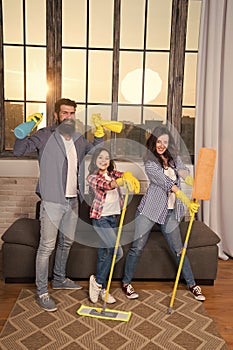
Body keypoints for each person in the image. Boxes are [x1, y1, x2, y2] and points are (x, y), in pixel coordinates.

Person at [13, 98, 104, 312]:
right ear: (56, 115)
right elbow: (19, 150)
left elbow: (98, 154)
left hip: (73, 201)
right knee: (46, 247)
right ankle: (42, 291)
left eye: (72, 113)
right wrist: (24, 129)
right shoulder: (44, 135)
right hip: (52, 201)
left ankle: (60, 279)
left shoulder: (79, 139)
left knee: (66, 243)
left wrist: (99, 134)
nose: (69, 117)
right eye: (64, 113)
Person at [121, 126, 206, 302]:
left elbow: (183, 172)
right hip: (150, 211)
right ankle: (126, 282)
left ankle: (192, 284)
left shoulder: (173, 159)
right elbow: (166, 182)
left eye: (165, 142)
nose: (161, 145)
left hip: (170, 212)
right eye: (159, 141)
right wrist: (185, 198)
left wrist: (196, 183)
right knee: (137, 248)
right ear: (153, 142)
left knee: (178, 250)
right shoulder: (150, 162)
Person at [87, 147, 140, 304]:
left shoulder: (112, 174)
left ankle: (103, 288)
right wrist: (121, 182)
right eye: (100, 158)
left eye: (106, 158)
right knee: (117, 252)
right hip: (100, 219)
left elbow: (122, 175)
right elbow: (108, 185)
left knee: (104, 254)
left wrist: (129, 177)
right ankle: (97, 282)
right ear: (95, 160)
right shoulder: (92, 177)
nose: (104, 161)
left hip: (113, 219)